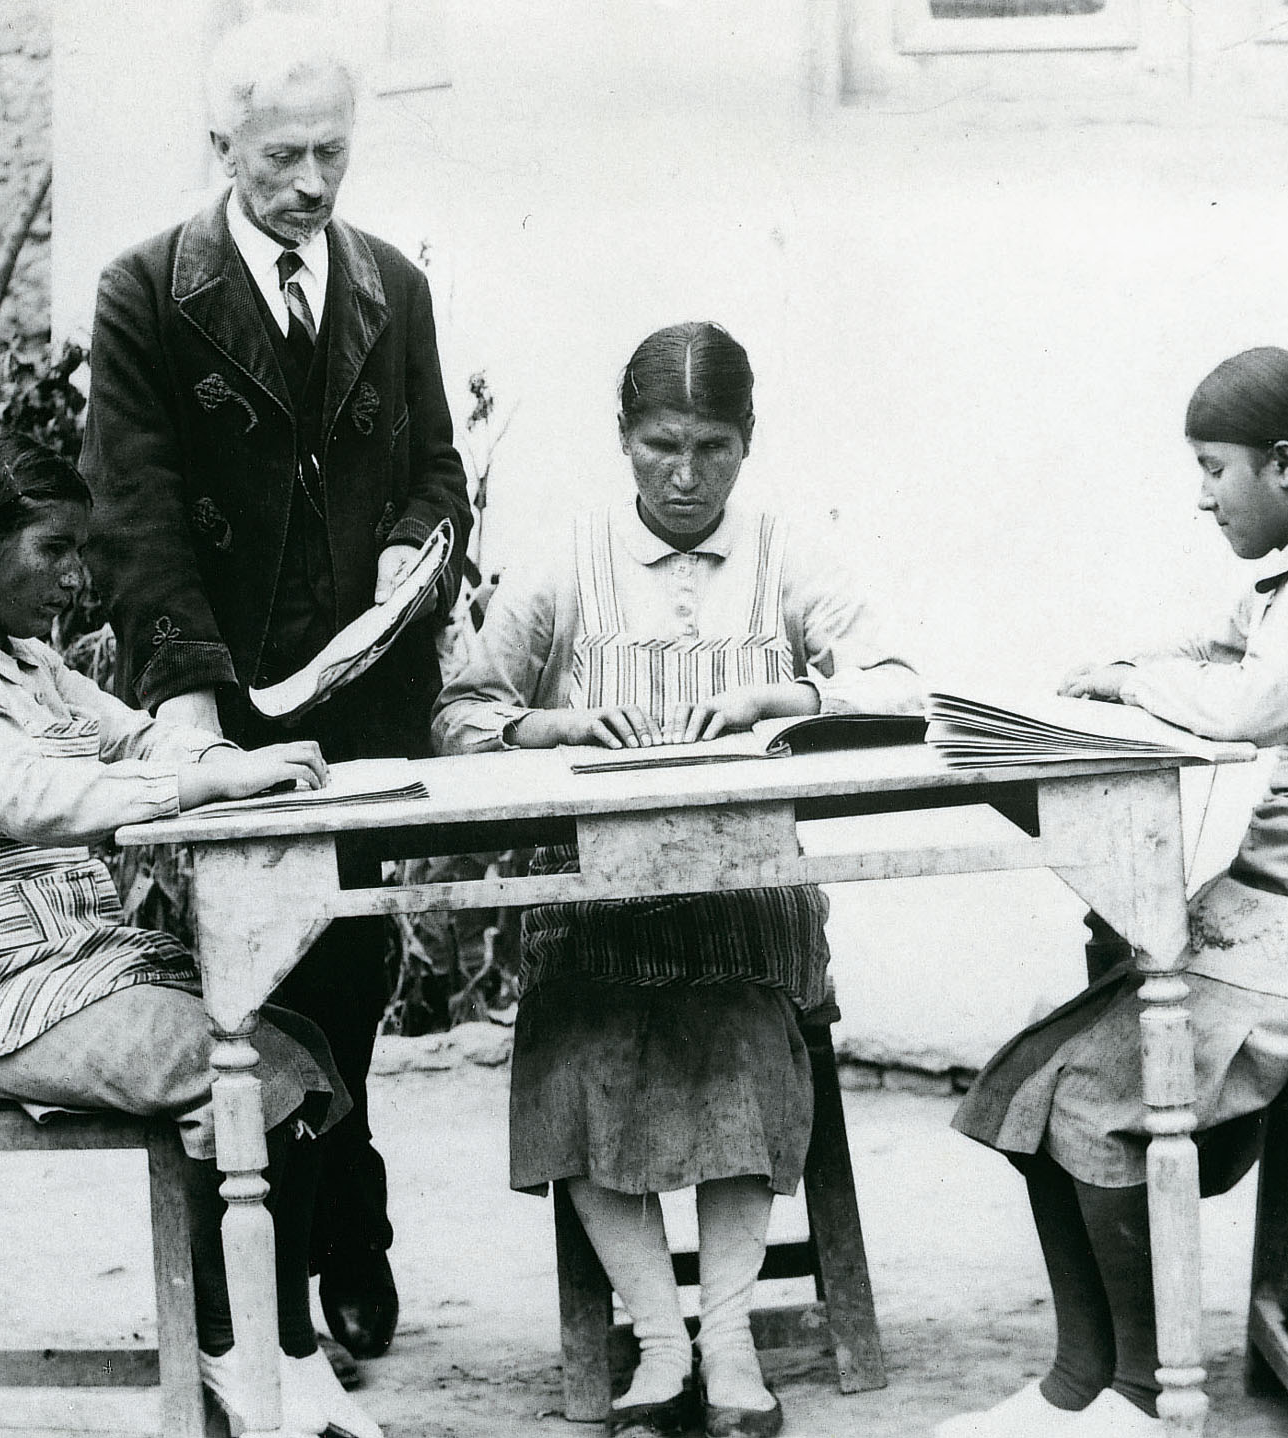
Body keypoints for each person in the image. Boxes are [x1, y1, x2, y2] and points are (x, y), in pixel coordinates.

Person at [939, 347, 1288, 1438]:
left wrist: (1131, 682)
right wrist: (1117, 670)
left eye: (1213, 469)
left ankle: (1138, 1395)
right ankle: (1077, 1381)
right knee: (1039, 1070)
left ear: (1282, 463)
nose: (1202, 497)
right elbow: (1218, 646)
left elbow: (1247, 703)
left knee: (1101, 1088)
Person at [0, 432, 388, 1438]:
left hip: (61, 964)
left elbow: (133, 735)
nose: (75, 577)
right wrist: (202, 785)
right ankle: (235, 1348)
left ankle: (276, 1341)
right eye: (53, 549)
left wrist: (218, 758)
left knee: (299, 1050)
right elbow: (35, 795)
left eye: (78, 551)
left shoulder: (29, 664)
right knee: (244, 1072)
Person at [432, 322, 922, 1438]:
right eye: (662, 446)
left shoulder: (787, 556)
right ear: (623, 438)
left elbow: (900, 685)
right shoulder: (568, 561)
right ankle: (660, 1341)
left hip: (749, 899)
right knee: (577, 1047)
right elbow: (459, 715)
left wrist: (783, 699)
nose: (687, 475)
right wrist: (550, 724)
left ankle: (730, 1339)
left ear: (748, 441)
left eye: (713, 447)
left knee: (740, 1038)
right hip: (596, 903)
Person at [79, 12, 473, 1358]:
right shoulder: (146, 292)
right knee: (236, 984)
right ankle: (259, 1278)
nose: (312, 184)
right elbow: (133, 509)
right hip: (228, 701)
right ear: (222, 146)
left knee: (350, 961)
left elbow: (437, 471)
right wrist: (188, 706)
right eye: (282, 157)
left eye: (332, 154)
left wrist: (405, 546)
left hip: (363, 698)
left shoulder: (392, 286)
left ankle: (341, 1227)